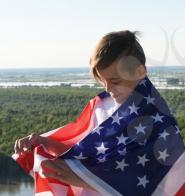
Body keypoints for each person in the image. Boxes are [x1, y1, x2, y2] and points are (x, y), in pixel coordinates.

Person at [14, 30, 149, 191]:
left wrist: (78, 179)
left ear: (140, 72)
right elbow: (87, 157)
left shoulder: (154, 121)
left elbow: (144, 183)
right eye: (102, 81)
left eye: (114, 81)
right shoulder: (105, 108)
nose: (108, 88)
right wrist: (45, 142)